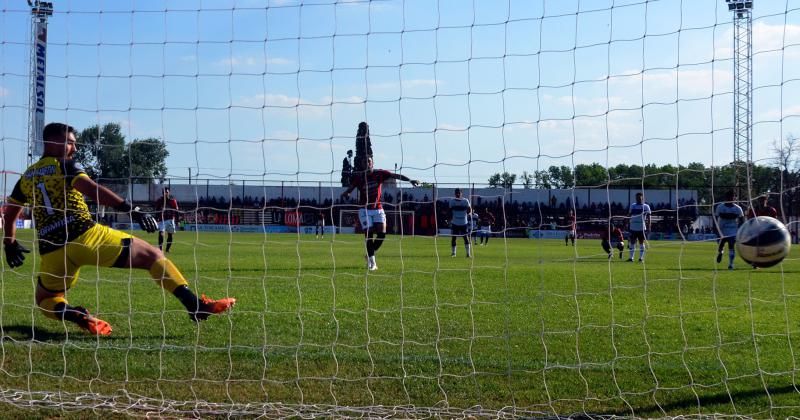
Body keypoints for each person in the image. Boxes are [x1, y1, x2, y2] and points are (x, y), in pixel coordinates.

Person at [1, 122, 235, 336]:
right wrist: (131, 210)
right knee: (154, 256)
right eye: (70, 143)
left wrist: (8, 242)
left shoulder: (26, 177)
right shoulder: (64, 165)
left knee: (45, 299)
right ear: (52, 142)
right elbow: (92, 189)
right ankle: (196, 305)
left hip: (51, 250)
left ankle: (76, 315)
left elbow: (10, 212)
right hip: (85, 237)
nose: (74, 148)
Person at [340, 156, 419, 270]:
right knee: (369, 235)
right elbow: (350, 189)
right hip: (364, 209)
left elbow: (396, 176)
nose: (367, 163)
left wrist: (410, 180)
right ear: (362, 164)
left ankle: (369, 255)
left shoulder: (380, 174)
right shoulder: (359, 178)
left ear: (372, 163)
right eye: (364, 162)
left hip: (378, 208)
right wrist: (346, 193)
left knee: (382, 235)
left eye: (369, 161)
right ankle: (373, 263)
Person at [714, 190, 745, 270]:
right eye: (729, 197)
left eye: (732, 197)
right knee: (721, 246)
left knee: (731, 246)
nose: (730, 198)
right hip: (722, 230)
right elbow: (716, 218)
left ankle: (731, 264)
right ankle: (720, 253)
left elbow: (742, 219)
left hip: (733, 230)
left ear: (734, 198)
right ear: (726, 198)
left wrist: (740, 230)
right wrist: (716, 230)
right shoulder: (720, 207)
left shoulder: (738, 208)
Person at [626, 192, 651, 262]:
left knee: (641, 242)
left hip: (641, 227)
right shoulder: (633, 205)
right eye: (637, 198)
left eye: (639, 197)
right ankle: (631, 258)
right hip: (633, 226)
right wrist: (626, 222)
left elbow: (649, 217)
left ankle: (641, 258)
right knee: (632, 242)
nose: (638, 199)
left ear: (642, 198)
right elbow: (629, 215)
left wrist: (649, 226)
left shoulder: (646, 206)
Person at [448, 188, 472, 258]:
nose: (457, 194)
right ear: (455, 193)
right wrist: (449, 220)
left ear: (461, 193)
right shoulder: (452, 201)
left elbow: (469, 209)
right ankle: (453, 253)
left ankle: (468, 254)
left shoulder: (465, 201)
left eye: (459, 193)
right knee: (454, 238)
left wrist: (469, 213)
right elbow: (449, 211)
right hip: (455, 222)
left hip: (463, 222)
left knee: (465, 237)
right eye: (456, 193)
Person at [155, 187, 179, 252]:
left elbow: (176, 211)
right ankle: (160, 249)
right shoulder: (159, 200)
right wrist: (156, 218)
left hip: (170, 219)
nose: (165, 193)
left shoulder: (173, 201)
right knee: (161, 232)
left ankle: (167, 249)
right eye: (164, 192)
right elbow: (157, 210)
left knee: (170, 234)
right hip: (162, 219)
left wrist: (177, 221)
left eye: (167, 192)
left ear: (169, 193)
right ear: (162, 193)